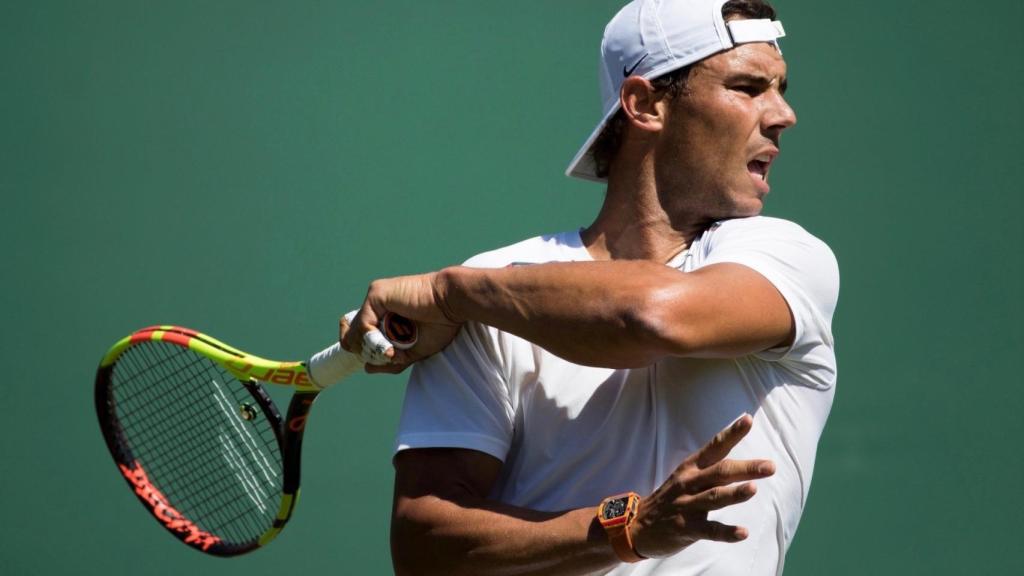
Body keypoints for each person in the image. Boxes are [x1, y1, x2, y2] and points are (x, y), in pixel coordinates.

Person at [342, 0, 839, 574]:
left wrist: (451, 294)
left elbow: (653, 317)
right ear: (645, 104)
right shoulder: (489, 287)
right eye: (748, 87)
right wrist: (622, 529)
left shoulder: (786, 256)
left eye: (780, 87)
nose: (784, 114)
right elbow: (423, 547)